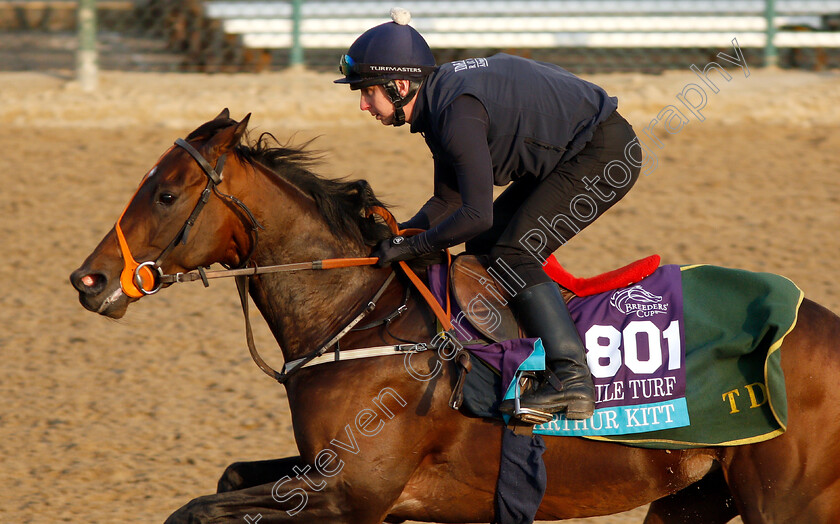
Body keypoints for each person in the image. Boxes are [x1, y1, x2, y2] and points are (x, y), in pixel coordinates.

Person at [335, 8, 641, 421]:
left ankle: (571, 380)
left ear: (399, 85)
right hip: (575, 151)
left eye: (367, 91)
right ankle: (519, 358)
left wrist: (413, 244)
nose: (362, 104)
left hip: (605, 154)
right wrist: (398, 236)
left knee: (513, 251)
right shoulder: (438, 102)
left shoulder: (455, 112)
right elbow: (447, 202)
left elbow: (476, 213)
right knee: (484, 247)